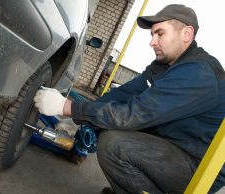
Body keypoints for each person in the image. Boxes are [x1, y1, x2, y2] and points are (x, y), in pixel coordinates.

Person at [34, 4, 225, 194]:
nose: (152, 42)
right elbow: (122, 94)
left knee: (114, 145)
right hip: (172, 145)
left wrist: (67, 107)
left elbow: (135, 114)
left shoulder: (199, 73)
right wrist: (79, 118)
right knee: (105, 127)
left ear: (186, 34)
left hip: (199, 166)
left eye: (160, 34)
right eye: (152, 35)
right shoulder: (161, 67)